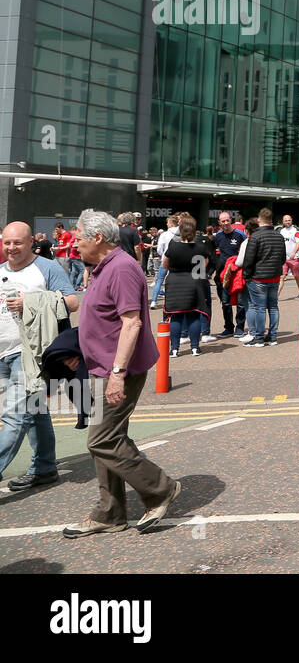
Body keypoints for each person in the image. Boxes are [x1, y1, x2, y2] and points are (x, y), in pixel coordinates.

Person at [62, 209, 182, 538]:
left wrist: (117, 373)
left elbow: (132, 323)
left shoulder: (122, 268)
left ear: (98, 238)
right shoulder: (102, 268)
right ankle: (110, 513)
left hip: (120, 371)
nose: (75, 243)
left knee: (102, 440)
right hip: (101, 366)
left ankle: (160, 489)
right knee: (109, 440)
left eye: (79, 237)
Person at [0, 221, 80, 492]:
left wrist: (30, 302)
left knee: (14, 415)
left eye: (18, 243)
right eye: (7, 242)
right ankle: (45, 467)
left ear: (31, 242)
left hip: (31, 355)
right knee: (35, 411)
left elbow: (72, 302)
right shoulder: (0, 271)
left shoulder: (47, 267)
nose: (11, 248)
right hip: (2, 354)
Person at [161, 214, 218, 356]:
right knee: (193, 315)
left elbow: (164, 264)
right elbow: (203, 265)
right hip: (193, 282)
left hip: (174, 282)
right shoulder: (200, 247)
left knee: (175, 316)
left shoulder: (173, 246)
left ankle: (174, 349)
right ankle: (194, 347)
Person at [240, 208, 287, 347]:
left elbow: (249, 260)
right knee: (273, 307)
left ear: (259, 220)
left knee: (259, 307)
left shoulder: (255, 236)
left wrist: (246, 276)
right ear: (271, 220)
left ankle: (259, 337)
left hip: (258, 277)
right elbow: (283, 258)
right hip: (274, 276)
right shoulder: (279, 236)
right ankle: (272, 336)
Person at [212, 212, 246, 336]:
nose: (225, 223)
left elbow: (246, 251)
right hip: (223, 275)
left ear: (231, 220)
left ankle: (240, 327)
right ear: (219, 223)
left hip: (238, 273)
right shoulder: (218, 236)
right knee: (225, 302)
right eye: (223, 221)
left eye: (227, 220)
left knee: (241, 302)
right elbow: (213, 254)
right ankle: (228, 327)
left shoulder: (240, 235)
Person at [149, 215, 179, 309]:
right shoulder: (181, 233)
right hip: (177, 260)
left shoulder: (164, 234)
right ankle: (173, 301)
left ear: (170, 223)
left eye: (167, 222)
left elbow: (159, 249)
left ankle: (154, 301)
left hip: (165, 259)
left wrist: (163, 255)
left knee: (159, 280)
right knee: (175, 280)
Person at [279, 215, 299, 300]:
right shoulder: (281, 231)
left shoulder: (296, 230)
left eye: (289, 220)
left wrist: (294, 252)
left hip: (295, 258)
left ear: (292, 221)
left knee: (296, 275)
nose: (287, 222)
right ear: (283, 221)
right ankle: (276, 297)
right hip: (284, 258)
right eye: (286, 220)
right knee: (281, 277)